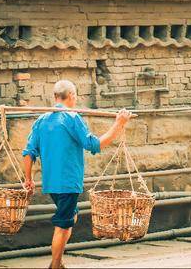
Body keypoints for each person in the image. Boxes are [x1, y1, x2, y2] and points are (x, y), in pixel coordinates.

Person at [22, 80, 131, 269]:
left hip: (50, 183)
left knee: (71, 217)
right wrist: (119, 124)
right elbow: (94, 145)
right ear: (71, 96)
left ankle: (59, 262)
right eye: (76, 95)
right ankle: (55, 265)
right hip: (68, 182)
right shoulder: (72, 118)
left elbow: (28, 152)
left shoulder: (41, 120)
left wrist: (28, 179)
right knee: (64, 223)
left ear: (55, 97)